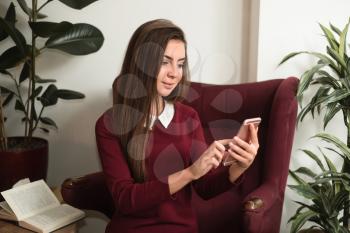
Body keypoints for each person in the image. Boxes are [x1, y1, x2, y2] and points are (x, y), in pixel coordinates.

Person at [95, 19, 259, 233]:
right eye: (165, 62)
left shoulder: (188, 117)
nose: (175, 72)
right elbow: (126, 199)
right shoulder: (109, 125)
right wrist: (190, 173)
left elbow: (205, 187)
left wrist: (239, 166)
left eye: (180, 63)